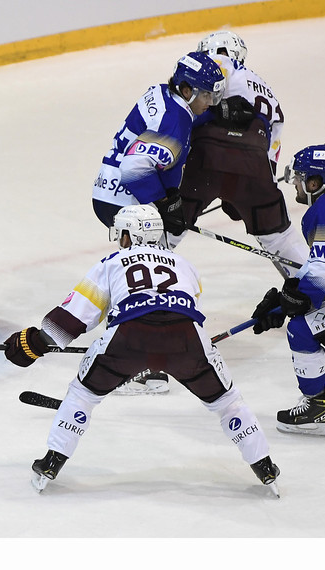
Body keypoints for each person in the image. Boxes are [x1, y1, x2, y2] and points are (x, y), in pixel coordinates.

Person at [4, 204, 280, 495]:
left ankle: (52, 461)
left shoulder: (111, 262)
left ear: (128, 235)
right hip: (188, 341)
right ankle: (264, 465)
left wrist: (33, 344)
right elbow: (187, 307)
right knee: (227, 402)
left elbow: (73, 318)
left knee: (83, 394)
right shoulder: (184, 264)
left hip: (128, 339)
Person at [91, 51, 225, 394]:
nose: (210, 101)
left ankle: (131, 349)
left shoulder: (163, 94)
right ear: (186, 89)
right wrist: (165, 202)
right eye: (207, 95)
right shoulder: (176, 121)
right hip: (127, 199)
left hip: (112, 191)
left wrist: (216, 114)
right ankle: (141, 366)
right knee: (148, 273)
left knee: (145, 269)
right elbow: (134, 168)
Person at [174, 30, 308, 278]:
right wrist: (244, 195)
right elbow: (269, 160)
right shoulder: (270, 95)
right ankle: (317, 290)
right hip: (255, 171)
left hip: (208, 162)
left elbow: (181, 109)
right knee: (280, 238)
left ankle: (140, 283)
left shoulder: (220, 63)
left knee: (167, 227)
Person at [251, 144, 325, 436]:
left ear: (316, 182)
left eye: (300, 178)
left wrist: (291, 300)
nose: (296, 184)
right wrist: (286, 298)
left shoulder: (324, 209)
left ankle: (319, 407)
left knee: (301, 329)